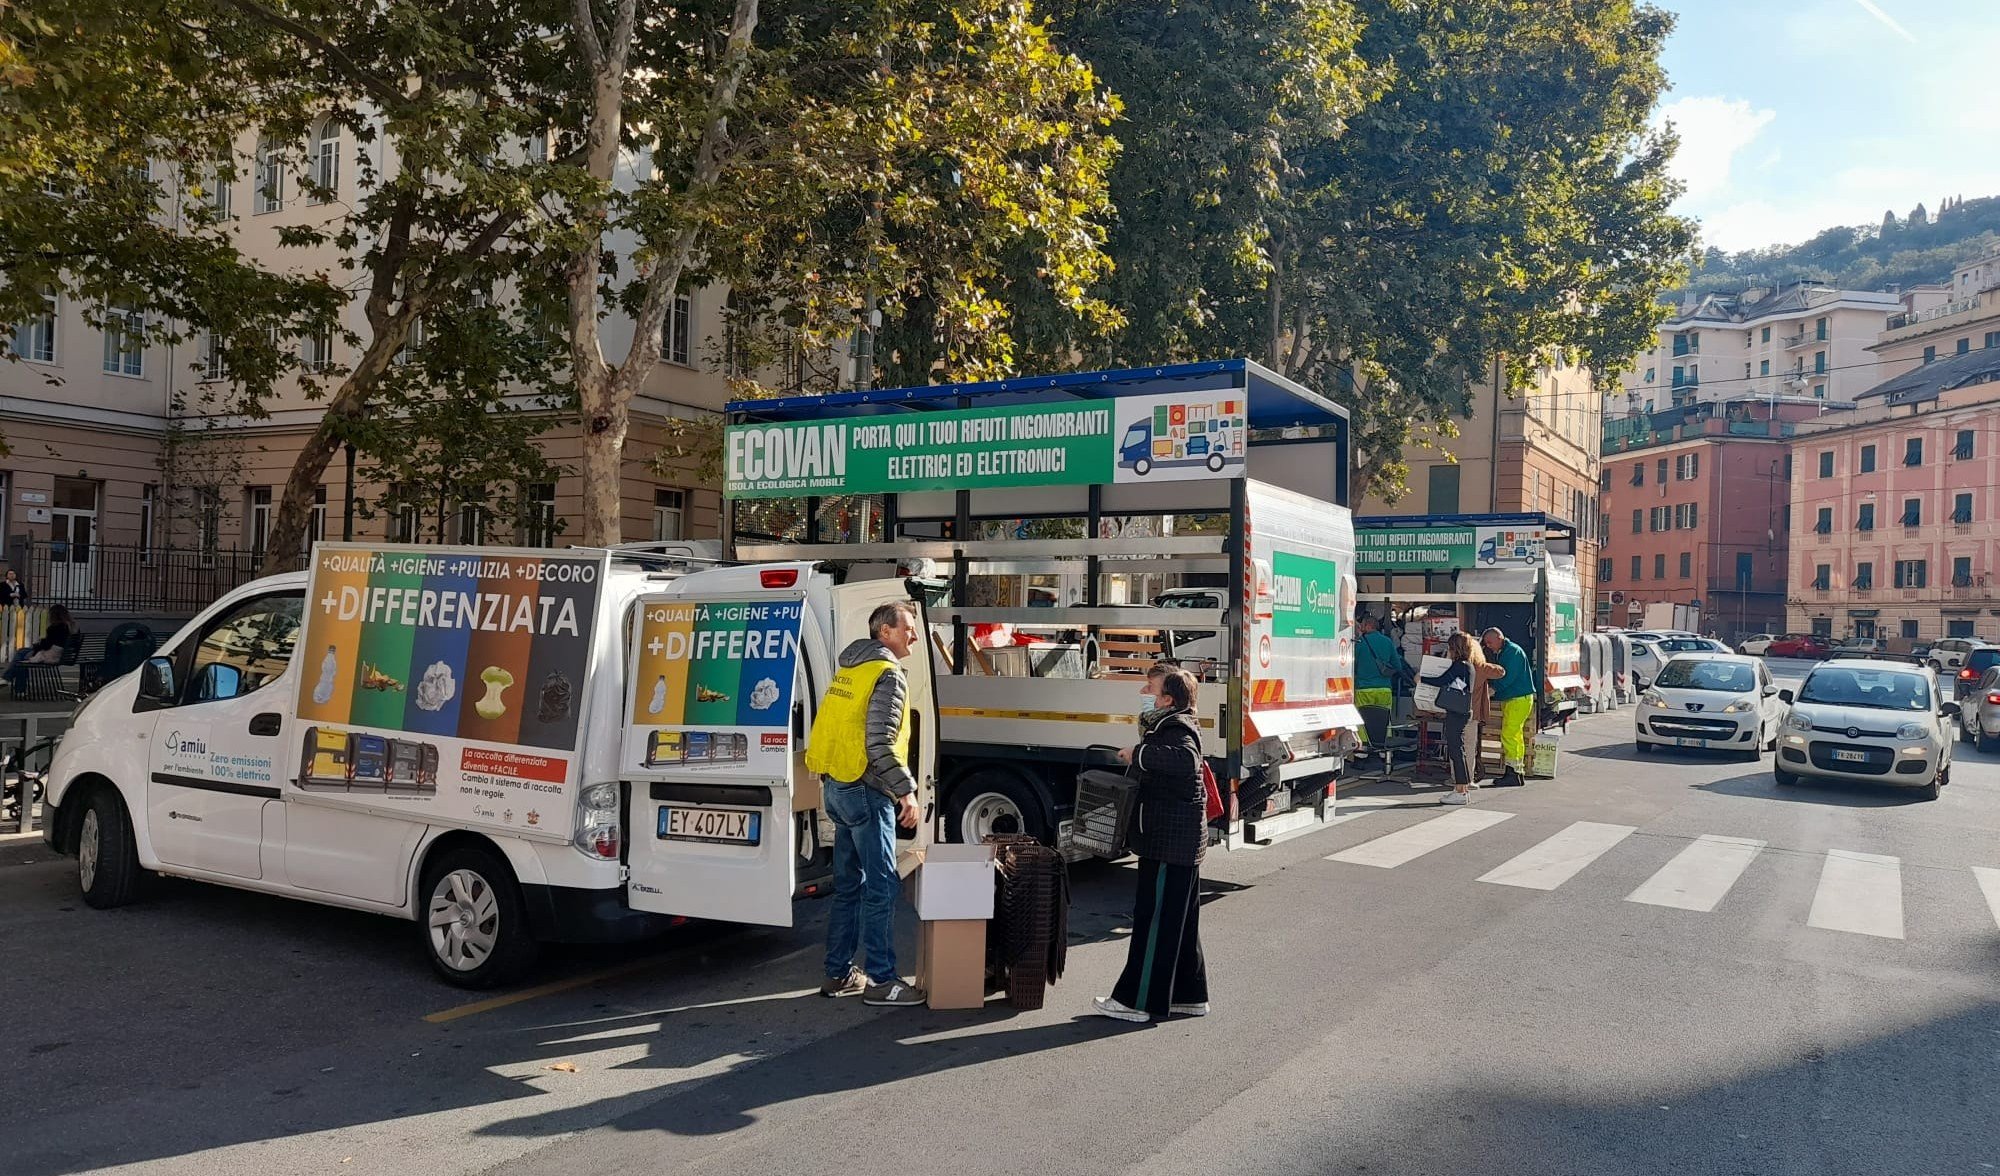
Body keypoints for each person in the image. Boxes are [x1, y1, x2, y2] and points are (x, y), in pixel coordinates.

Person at [805, 600, 927, 1008]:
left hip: (838, 786)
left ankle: (838, 973)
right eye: (907, 627)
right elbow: (879, 743)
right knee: (880, 888)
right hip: (866, 789)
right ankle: (882, 981)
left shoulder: (850, 670)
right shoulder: (887, 674)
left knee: (848, 888)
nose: (913, 634)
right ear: (885, 632)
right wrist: (906, 790)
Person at [1093, 664, 1209, 1024]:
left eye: (1151, 688)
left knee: (1154, 921)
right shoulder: (1176, 723)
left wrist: (1137, 754)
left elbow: (1186, 762)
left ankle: (1135, 1001)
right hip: (1181, 842)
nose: (1144, 691)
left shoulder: (1174, 727)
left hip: (1167, 842)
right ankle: (1188, 995)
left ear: (1168, 699)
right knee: (1181, 923)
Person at [1422, 632, 1494, 804]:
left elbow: (1442, 680)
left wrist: (1421, 679)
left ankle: (1461, 790)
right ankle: (1462, 789)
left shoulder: (1458, 665)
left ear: (1455, 648)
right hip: (1464, 711)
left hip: (1456, 713)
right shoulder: (1468, 666)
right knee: (1458, 750)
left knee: (1456, 750)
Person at [1481, 626, 1535, 787]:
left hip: (1517, 698)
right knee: (1515, 735)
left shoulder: (1511, 652)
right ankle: (1516, 770)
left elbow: (1506, 676)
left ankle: (1513, 772)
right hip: (1518, 698)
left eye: (1489, 642)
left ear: (1499, 638)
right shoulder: (1509, 651)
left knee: (1509, 735)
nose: (1488, 646)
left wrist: (1491, 690)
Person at [1353, 613, 1406, 755]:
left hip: (1363, 688)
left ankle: (1362, 754)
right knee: (1384, 720)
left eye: (1363, 625)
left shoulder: (1359, 643)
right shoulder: (1388, 642)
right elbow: (1397, 666)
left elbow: (1353, 665)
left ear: (1368, 626)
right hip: (1384, 689)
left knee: (1362, 720)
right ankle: (1385, 752)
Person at [7, 604, 74, 693]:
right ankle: (10, 681)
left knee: (21, 656)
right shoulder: (71, 627)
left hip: (50, 656)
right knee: (22, 652)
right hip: (64, 656)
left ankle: (13, 683)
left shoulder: (54, 628)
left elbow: (46, 646)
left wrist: (38, 644)